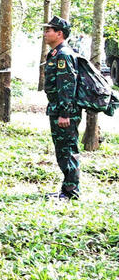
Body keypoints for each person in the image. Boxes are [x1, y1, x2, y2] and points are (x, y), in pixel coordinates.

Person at [43, 16, 82, 200]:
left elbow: (67, 86)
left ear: (59, 34)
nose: (45, 33)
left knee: (67, 151)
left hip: (65, 113)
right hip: (58, 109)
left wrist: (64, 114)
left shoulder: (64, 55)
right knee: (62, 151)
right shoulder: (56, 54)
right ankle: (66, 190)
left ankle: (71, 192)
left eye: (49, 30)